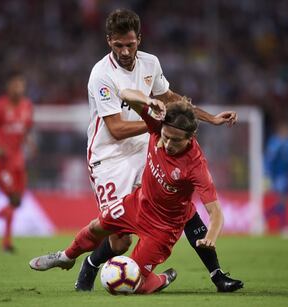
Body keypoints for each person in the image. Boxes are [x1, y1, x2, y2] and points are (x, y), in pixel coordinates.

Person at [78, 8, 242, 292]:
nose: (126, 51)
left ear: (139, 39)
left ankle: (217, 275)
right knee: (120, 241)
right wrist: (159, 125)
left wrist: (210, 117)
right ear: (109, 41)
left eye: (130, 44)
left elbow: (172, 100)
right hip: (110, 157)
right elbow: (116, 129)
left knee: (182, 206)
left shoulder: (150, 64)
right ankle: (91, 264)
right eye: (119, 45)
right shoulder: (101, 75)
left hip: (147, 146)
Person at [30, 89, 228, 294]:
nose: (168, 144)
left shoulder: (196, 167)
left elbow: (216, 213)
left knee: (132, 283)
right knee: (97, 226)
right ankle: (66, 257)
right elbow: (124, 94)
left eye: (176, 140)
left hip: (163, 228)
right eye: (166, 137)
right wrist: (150, 102)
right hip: (138, 204)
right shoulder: (156, 125)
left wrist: (210, 237)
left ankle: (161, 279)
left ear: (190, 137)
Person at [0, 71, 33, 252]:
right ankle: (6, 242)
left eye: (21, 85)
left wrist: (29, 143)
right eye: (15, 85)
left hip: (18, 159)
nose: (19, 89)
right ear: (8, 87)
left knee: (17, 201)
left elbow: (25, 129)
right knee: (14, 199)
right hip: (1, 160)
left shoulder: (27, 106)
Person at [264, 120, 288, 235]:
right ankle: (283, 225)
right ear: (280, 131)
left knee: (284, 201)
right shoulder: (275, 142)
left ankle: (265, 217)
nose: (287, 132)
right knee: (282, 200)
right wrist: (267, 175)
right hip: (277, 176)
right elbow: (269, 160)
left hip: (287, 175)